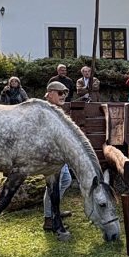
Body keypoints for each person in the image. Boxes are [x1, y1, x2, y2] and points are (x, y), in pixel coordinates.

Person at [42, 81, 74, 230]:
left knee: (66, 180)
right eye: (60, 93)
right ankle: (49, 218)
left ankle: (55, 211)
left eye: (65, 93)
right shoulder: (44, 109)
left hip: (59, 154)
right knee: (52, 187)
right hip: (50, 155)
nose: (63, 96)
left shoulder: (56, 109)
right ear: (50, 93)